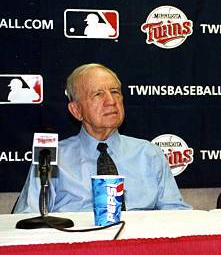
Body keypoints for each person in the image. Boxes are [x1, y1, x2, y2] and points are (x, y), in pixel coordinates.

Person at [14, 63, 191, 212]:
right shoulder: (50, 155)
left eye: (115, 92)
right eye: (98, 94)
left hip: (139, 248)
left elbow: (176, 214)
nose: (111, 101)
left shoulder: (149, 153)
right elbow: (29, 218)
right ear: (76, 110)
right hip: (78, 248)